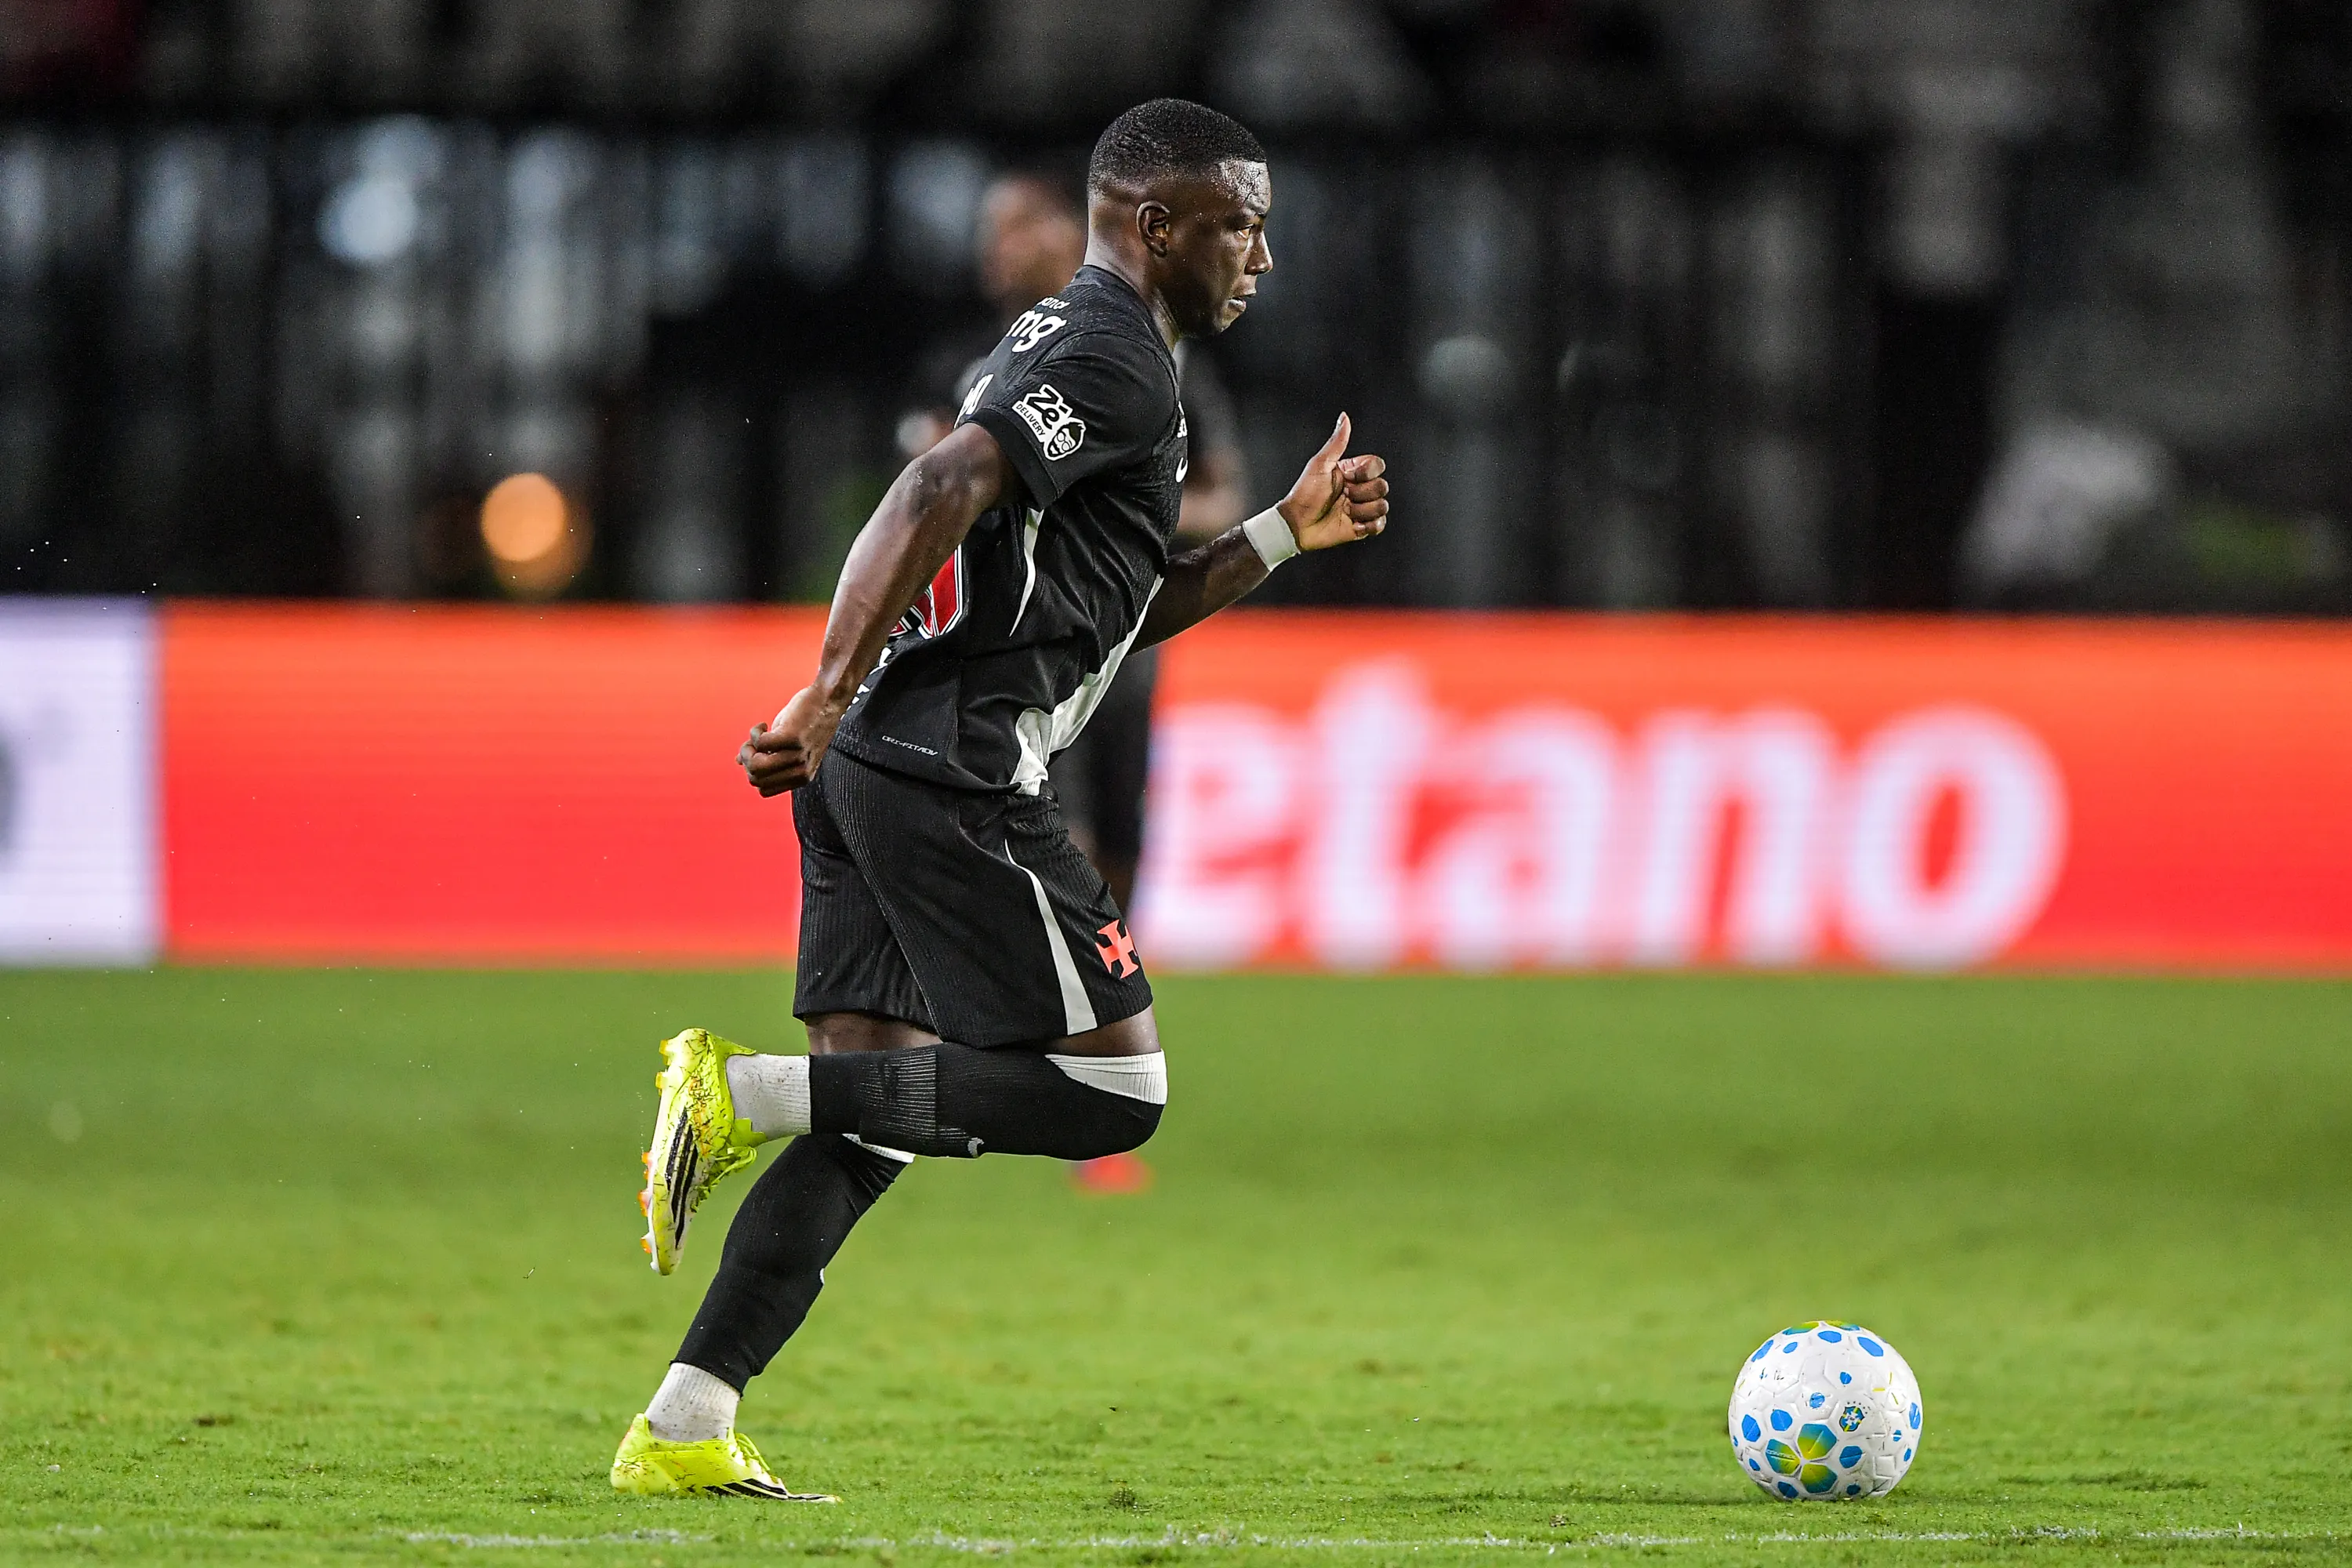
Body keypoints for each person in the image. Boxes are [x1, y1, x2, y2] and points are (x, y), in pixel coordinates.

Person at [609, 99, 1390, 1502]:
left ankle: (684, 1421)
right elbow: (938, 481)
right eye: (1241, 224)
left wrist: (1280, 531)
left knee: (874, 1119)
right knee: (1114, 1092)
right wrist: (824, 689)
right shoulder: (1110, 355)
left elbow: (1115, 606)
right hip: (953, 771)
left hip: (882, 765)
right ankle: (739, 1093)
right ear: (1158, 225)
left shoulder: (1082, 347)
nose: (1262, 255)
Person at [900, 169, 1250, 1196]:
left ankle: (1079, 1057)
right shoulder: (969, 362)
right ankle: (1036, 1064)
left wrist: (1116, 490)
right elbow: (928, 482)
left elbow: (1219, 493)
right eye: (989, 228)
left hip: (1117, 644)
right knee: (1051, 843)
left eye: (1016, 225)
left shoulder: (1150, 361)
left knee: (1121, 854)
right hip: (1005, 653)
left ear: (1071, 229)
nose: (996, 246)